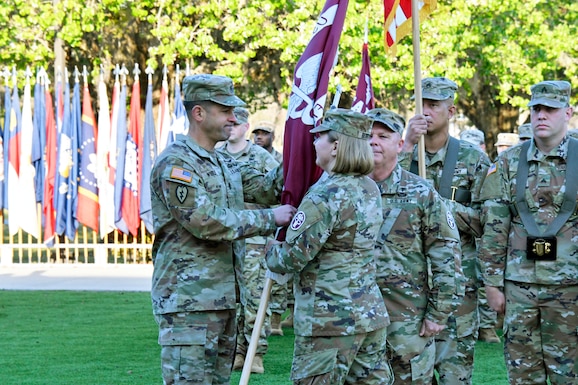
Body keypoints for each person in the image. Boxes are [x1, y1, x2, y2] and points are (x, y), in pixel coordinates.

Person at [150, 74, 296, 385]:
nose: (233, 118)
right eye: (224, 110)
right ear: (198, 113)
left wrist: (299, 148)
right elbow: (206, 221)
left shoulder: (223, 163)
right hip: (190, 305)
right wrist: (271, 218)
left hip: (225, 301)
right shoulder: (177, 164)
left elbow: (267, 189)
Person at [266, 108, 392, 385]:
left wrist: (270, 247)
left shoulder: (326, 194)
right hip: (368, 314)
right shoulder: (369, 187)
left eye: (319, 137)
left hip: (329, 319)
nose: (312, 143)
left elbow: (291, 259)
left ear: (335, 146)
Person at [479, 80, 578, 384]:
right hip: (520, 288)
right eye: (536, 109)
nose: (541, 115)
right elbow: (495, 227)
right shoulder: (508, 162)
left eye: (550, 109)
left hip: (570, 286)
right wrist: (492, 285)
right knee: (522, 373)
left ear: (568, 112)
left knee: (569, 373)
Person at [399, 77, 491, 384]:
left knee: (455, 375)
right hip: (405, 287)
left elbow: (487, 221)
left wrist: (440, 207)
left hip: (455, 287)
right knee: (407, 374)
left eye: (433, 105)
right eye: (420, 103)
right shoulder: (400, 154)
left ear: (450, 111)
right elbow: (375, 201)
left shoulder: (473, 159)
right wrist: (407, 144)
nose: (425, 111)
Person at [367, 108, 463, 384]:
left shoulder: (421, 193)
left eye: (383, 136)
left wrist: (439, 313)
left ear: (400, 144)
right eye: (367, 136)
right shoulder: (345, 190)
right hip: (354, 318)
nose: (373, 142)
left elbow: (446, 253)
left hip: (406, 320)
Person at [216, 106, 280, 373]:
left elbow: (277, 193)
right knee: (232, 299)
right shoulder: (216, 156)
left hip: (255, 240)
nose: (232, 127)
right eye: (230, 122)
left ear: (245, 127)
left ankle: (255, 352)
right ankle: (237, 351)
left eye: (238, 123)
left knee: (254, 298)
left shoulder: (261, 158)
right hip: (227, 239)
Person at [459, 128, 501, 343]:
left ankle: (486, 325)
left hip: (477, 237)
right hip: (461, 241)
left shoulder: (481, 163)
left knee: (482, 280)